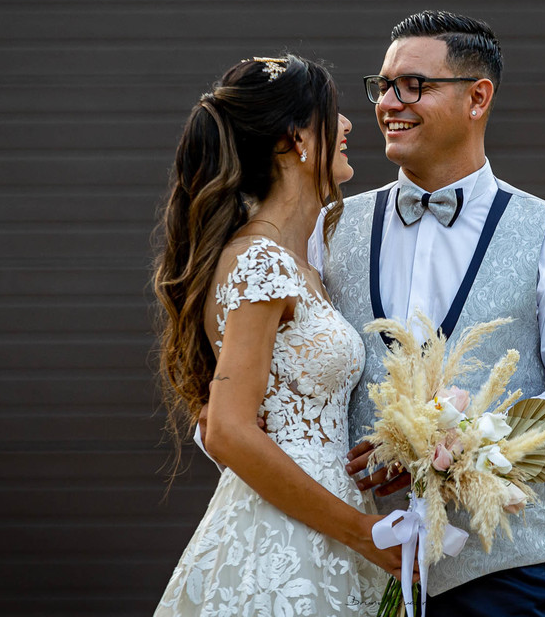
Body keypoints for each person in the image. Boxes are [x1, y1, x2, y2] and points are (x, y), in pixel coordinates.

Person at [311, 11, 545, 616]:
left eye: (414, 85)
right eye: (383, 86)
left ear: (478, 98)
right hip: (348, 573)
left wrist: (457, 448)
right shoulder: (330, 227)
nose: (389, 103)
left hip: (499, 576)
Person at [151, 55, 403, 616]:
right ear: (296, 139)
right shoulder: (261, 262)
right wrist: (361, 532)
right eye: (333, 114)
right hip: (282, 537)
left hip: (323, 520)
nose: (347, 126)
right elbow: (228, 430)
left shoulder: (302, 262)